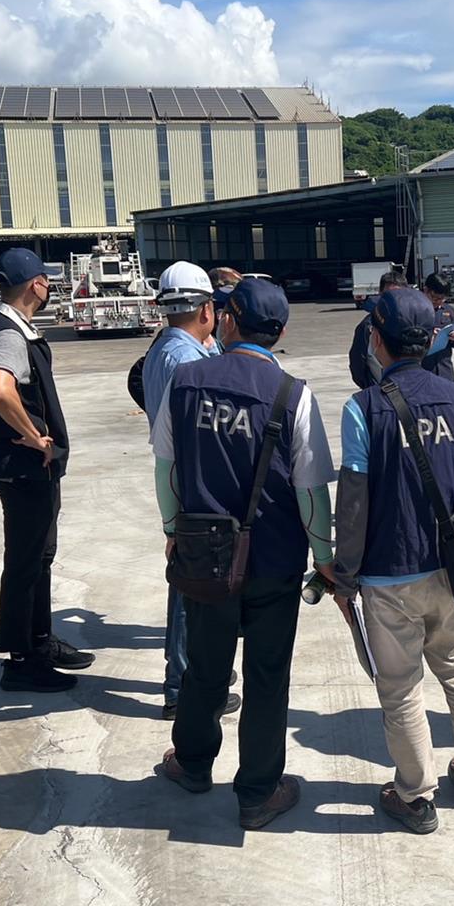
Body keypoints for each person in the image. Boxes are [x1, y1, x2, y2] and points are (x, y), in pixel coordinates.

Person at [156, 278, 338, 830]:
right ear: (279, 332)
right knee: (266, 676)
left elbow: (166, 466)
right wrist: (324, 555)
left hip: (205, 554)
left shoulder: (186, 382)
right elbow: (311, 490)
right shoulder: (293, 394)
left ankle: (192, 763)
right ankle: (258, 793)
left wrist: (171, 527)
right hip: (274, 560)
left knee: (205, 666)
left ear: (229, 319)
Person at [332, 288, 454, 834]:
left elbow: (353, 502)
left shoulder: (363, 409)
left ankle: (415, 794)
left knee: (401, 687)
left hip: (389, 572)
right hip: (451, 568)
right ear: (431, 339)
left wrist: (344, 575)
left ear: (376, 341)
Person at [0, 247, 92, 694]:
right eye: (45, 280)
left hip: (33, 468)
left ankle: (40, 640)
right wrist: (34, 435)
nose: (48, 287)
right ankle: (22, 660)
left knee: (41, 554)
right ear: (36, 284)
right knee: (25, 561)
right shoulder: (8, 334)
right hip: (22, 467)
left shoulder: (17, 327)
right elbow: (0, 389)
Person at [143, 262, 239, 721]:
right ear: (205, 310)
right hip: (193, 483)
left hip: (181, 479)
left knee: (193, 582)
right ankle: (181, 687)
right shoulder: (186, 361)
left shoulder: (167, 349)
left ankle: (194, 675)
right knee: (189, 588)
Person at [348, 268, 411, 389]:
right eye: (389, 295)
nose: (394, 299)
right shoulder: (367, 327)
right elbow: (357, 365)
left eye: (399, 295)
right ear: (380, 294)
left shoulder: (414, 322)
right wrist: (373, 390)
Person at [419, 272, 454, 382]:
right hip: (423, 371)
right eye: (435, 298)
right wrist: (430, 335)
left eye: (442, 298)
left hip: (445, 371)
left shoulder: (449, 310)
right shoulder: (416, 311)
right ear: (426, 290)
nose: (439, 302)